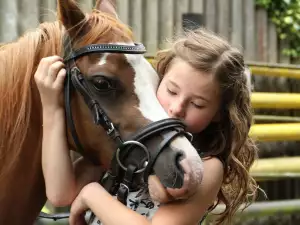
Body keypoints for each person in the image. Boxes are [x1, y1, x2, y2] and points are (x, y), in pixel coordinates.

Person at [34, 28, 258, 225]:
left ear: (219, 114)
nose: (177, 108)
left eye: (197, 104)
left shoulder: (208, 165)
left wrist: (91, 194)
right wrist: (51, 107)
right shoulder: (131, 143)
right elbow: (60, 193)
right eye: (171, 91)